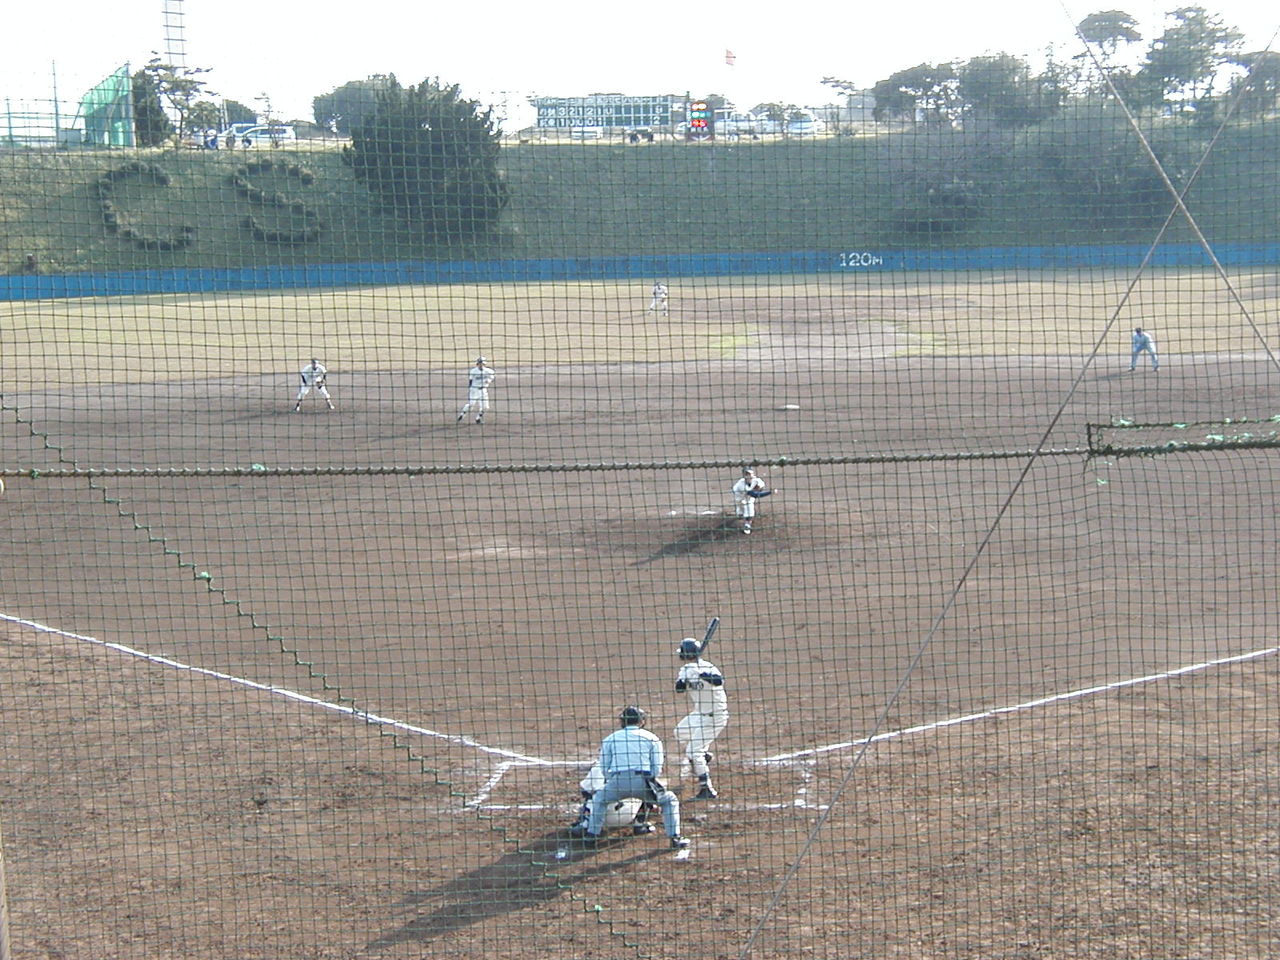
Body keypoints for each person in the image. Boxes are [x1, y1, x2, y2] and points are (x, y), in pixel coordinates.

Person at [569, 705, 688, 849]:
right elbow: (656, 767)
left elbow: (604, 767)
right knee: (669, 800)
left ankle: (591, 837)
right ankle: (674, 838)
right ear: (642, 721)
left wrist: (613, 782)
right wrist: (650, 783)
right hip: (642, 781)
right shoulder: (652, 738)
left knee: (599, 800)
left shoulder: (610, 739)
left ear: (622, 721)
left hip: (618, 782)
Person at [674, 637, 729, 800]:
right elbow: (679, 689)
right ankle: (704, 756)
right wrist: (684, 680)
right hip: (699, 714)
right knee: (679, 732)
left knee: (692, 751)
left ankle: (707, 789)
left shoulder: (708, 667)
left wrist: (703, 675)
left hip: (716, 716)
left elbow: (719, 682)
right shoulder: (685, 670)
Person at [456, 356, 495, 424]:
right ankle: (462, 415)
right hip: (474, 389)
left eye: (482, 364)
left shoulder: (489, 371)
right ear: (477, 364)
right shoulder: (473, 371)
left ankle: (478, 418)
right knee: (471, 404)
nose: (481, 365)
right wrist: (471, 389)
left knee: (486, 407)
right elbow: (470, 381)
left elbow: (492, 377)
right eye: (480, 363)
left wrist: (489, 380)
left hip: (483, 390)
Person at [732, 466, 768, 534]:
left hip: (749, 499)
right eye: (747, 474)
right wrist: (770, 492)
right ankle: (740, 514)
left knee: (749, 511)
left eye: (750, 474)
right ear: (744, 476)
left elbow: (761, 486)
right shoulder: (741, 485)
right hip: (739, 498)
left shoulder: (757, 480)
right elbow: (754, 494)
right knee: (740, 512)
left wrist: (759, 488)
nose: (750, 476)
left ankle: (747, 525)